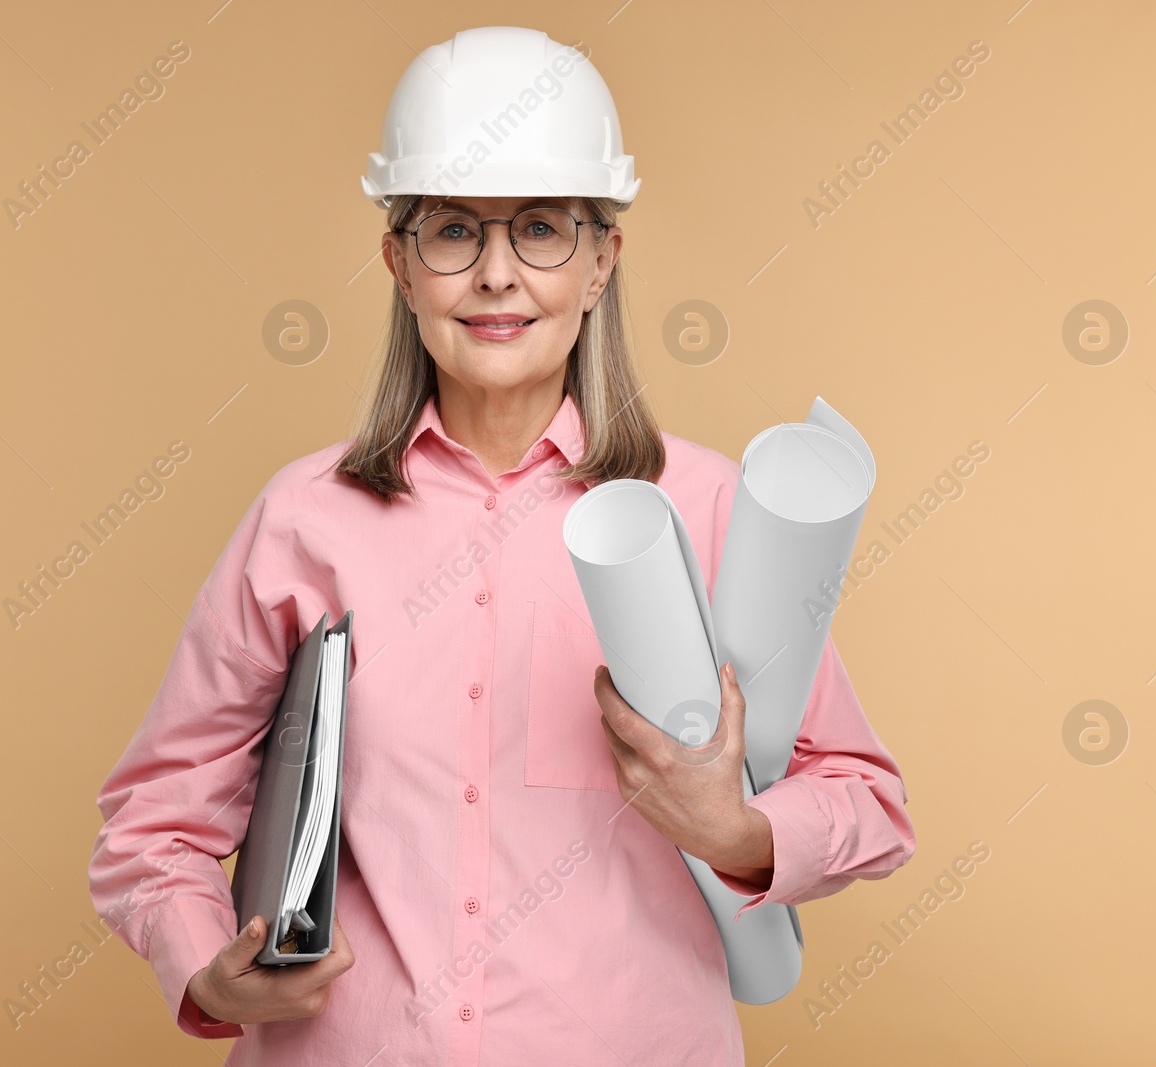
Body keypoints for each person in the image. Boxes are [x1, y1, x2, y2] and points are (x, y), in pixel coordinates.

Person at [88, 26, 915, 1065]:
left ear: (604, 259)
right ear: (397, 262)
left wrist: (737, 833)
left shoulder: (705, 508)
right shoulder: (302, 521)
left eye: (539, 229)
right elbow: (151, 823)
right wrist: (207, 965)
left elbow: (867, 799)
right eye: (449, 232)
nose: (494, 275)